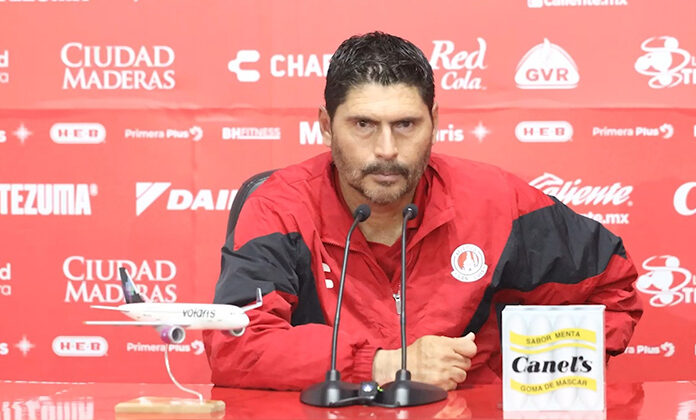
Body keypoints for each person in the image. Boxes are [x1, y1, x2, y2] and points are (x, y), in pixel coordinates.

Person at [203, 32, 642, 391]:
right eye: (363, 125)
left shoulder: (495, 201)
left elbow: (613, 288)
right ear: (325, 126)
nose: (386, 150)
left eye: (406, 125)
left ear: (434, 122)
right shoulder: (279, 206)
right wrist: (383, 365)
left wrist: (521, 379)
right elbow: (236, 344)